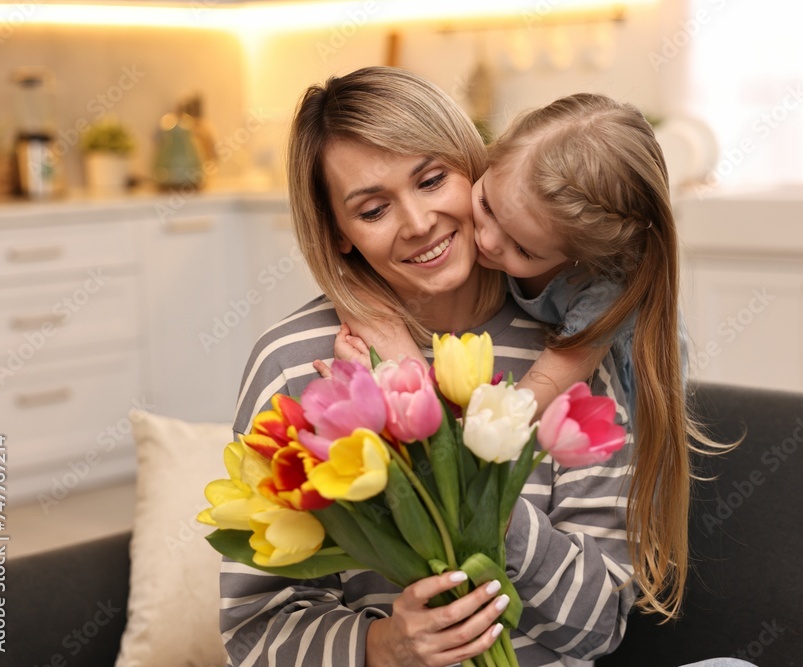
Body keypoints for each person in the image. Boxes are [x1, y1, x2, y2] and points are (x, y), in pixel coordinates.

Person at [222, 67, 637, 667]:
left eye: (432, 179)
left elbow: (599, 627)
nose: (418, 223)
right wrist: (383, 648)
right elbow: (253, 635)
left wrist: (472, 480)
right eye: (372, 210)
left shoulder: (571, 345)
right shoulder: (295, 365)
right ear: (338, 233)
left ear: (477, 169)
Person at [329, 92, 712, 619]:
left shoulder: (602, 299)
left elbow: (505, 424)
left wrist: (405, 370)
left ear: (579, 257)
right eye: (485, 205)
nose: (484, 242)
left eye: (523, 251)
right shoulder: (523, 200)